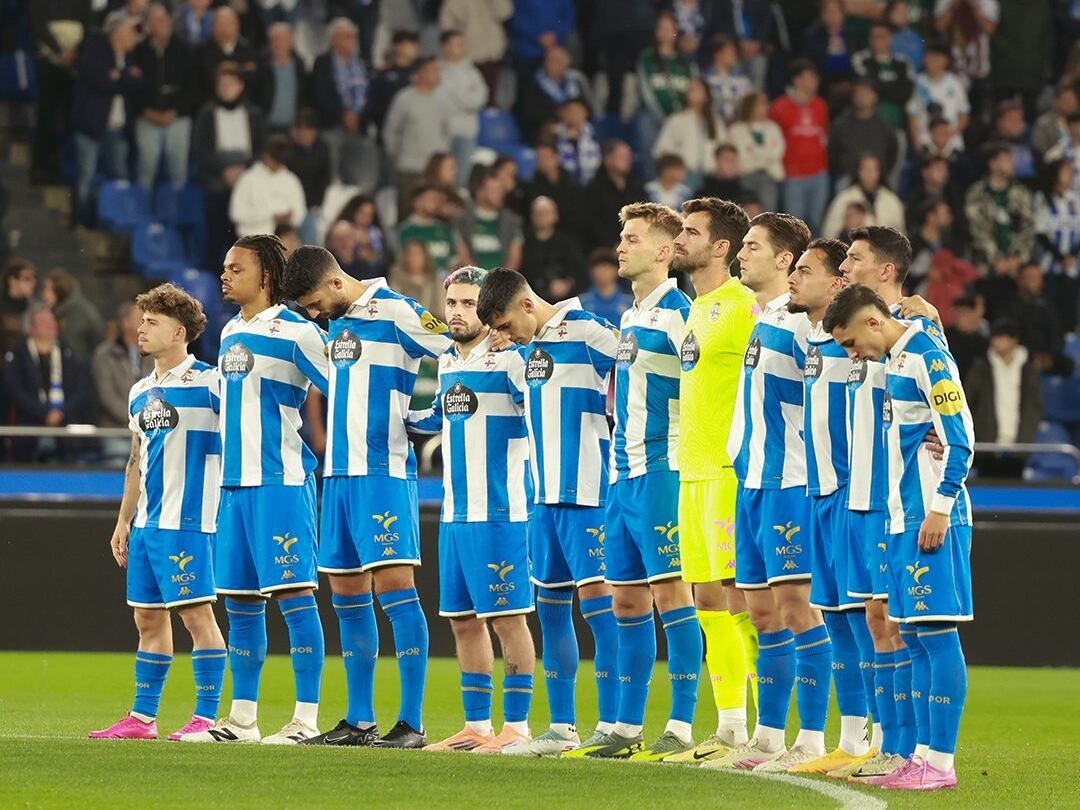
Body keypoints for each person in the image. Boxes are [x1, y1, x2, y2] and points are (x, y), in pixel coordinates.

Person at [281, 245, 453, 749]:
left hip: (382, 475)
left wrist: (429, 418)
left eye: (314, 303)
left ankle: (412, 723)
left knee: (396, 593)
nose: (314, 316)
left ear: (335, 283)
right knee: (348, 597)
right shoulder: (336, 325)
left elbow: (458, 353)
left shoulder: (397, 310)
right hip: (336, 475)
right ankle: (359, 720)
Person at [823, 282, 975, 792]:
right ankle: (919, 755)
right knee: (909, 636)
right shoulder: (900, 355)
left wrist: (939, 509)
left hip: (931, 518)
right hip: (898, 517)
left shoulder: (927, 356)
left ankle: (942, 762)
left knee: (935, 633)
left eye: (849, 343)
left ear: (872, 322)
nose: (851, 355)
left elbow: (961, 440)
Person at [563, 203, 702, 760]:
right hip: (623, 477)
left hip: (663, 474)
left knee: (672, 596)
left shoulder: (679, 316)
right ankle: (623, 726)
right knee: (625, 603)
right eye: (621, 237)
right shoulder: (630, 317)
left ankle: (683, 724)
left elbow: (707, 393)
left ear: (666, 252)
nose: (621, 246)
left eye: (634, 239)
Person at [180, 235, 329, 745]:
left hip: (281, 482)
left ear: (265, 276)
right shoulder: (227, 333)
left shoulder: (299, 332)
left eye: (234, 268)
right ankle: (242, 720)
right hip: (235, 486)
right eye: (223, 267)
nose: (223, 275)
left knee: (294, 598)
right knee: (241, 603)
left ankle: (306, 719)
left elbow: (346, 388)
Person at [476, 268, 620, 756]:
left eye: (504, 324)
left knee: (602, 611)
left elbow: (634, 365)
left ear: (527, 304)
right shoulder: (527, 350)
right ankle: (562, 728)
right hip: (542, 499)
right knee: (552, 612)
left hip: (588, 495)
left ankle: (616, 725)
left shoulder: (588, 330)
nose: (502, 336)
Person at [708, 213, 833, 772]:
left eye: (754, 247)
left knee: (798, 611)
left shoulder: (810, 322)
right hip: (751, 483)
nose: (742, 255)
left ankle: (811, 740)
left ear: (786, 261)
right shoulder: (768, 316)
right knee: (759, 614)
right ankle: (768, 738)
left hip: (791, 484)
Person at [406, 266, 536, 753]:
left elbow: (540, 411)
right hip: (455, 512)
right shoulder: (447, 362)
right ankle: (476, 726)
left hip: (501, 511)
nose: (459, 313)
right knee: (463, 620)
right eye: (453, 304)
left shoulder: (513, 360)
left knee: (509, 619)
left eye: (469, 304)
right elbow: (437, 415)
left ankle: (518, 728)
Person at [88, 283, 227, 741]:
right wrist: (123, 520)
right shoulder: (141, 391)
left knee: (196, 617)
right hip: (147, 525)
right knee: (147, 618)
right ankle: (142, 719)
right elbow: (135, 459)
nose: (140, 328)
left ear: (179, 333)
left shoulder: (212, 383)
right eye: (141, 319)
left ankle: (206, 718)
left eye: (152, 322)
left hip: (188, 523)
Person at [832, 226, 941, 782]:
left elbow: (945, 403)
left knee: (896, 622)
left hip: (892, 495)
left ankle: (911, 748)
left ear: (887, 271)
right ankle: (889, 744)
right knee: (875, 621)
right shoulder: (854, 327)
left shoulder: (916, 329)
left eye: (854, 258)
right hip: (858, 491)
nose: (844, 266)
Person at [662, 197, 759, 762]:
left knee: (745, 600)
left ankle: (772, 729)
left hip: (727, 470)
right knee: (706, 601)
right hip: (691, 471)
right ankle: (730, 728)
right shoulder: (696, 308)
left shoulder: (744, 304)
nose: (681, 239)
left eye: (691, 232)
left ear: (720, 247)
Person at [784, 237, 880, 776]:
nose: (795, 278)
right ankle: (849, 739)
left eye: (806, 269)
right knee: (840, 621)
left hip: (854, 494)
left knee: (873, 620)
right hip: (817, 494)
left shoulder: (871, 338)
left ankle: (888, 737)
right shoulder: (814, 341)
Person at [71, 11, 143, 226]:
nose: (135, 37)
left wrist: (118, 75)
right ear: (117, 31)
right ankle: (81, 224)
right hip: (91, 127)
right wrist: (126, 77)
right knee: (85, 179)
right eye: (131, 31)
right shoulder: (95, 50)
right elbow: (101, 81)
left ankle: (115, 224)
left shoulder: (130, 57)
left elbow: (139, 84)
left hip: (117, 128)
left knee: (119, 179)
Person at [191, 63, 266, 265]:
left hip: (248, 181)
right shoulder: (207, 114)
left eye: (230, 84)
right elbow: (200, 152)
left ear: (241, 85)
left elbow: (262, 151)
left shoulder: (254, 114)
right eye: (222, 84)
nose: (226, 88)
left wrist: (243, 171)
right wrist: (225, 170)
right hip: (217, 181)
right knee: (215, 232)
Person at [3, 304, 92, 462]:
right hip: (28, 428)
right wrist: (44, 413)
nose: (51, 326)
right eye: (44, 322)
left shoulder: (69, 356)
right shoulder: (16, 358)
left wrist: (60, 413)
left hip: (65, 427)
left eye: (52, 322)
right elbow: (16, 393)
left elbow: (81, 390)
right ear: (31, 329)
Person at [965, 317, 1043, 477]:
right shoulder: (981, 367)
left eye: (1002, 337)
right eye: (995, 337)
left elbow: (1035, 405)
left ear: (1014, 340)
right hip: (987, 447)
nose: (997, 342)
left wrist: (1026, 439)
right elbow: (969, 401)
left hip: (1018, 446)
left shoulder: (1028, 369)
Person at [131, 3, 194, 194]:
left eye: (164, 20)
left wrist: (174, 111)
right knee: (146, 169)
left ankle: (176, 217)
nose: (162, 24)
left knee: (178, 172)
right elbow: (132, 89)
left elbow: (192, 89)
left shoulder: (184, 50)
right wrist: (146, 111)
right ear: (148, 25)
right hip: (147, 118)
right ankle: (142, 215)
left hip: (177, 118)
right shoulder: (138, 52)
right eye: (156, 21)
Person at [385, 58, 455, 221]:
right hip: (409, 167)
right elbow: (391, 131)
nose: (437, 74)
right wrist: (398, 156)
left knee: (436, 215)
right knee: (406, 213)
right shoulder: (404, 98)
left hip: (435, 170)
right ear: (419, 74)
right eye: (432, 70)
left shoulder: (443, 100)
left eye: (438, 70)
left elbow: (448, 132)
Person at [310, 18, 373, 188]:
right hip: (332, 127)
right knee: (331, 177)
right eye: (346, 36)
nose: (351, 40)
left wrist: (358, 117)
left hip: (358, 128)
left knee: (360, 178)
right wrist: (343, 116)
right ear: (333, 40)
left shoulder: (363, 62)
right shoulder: (322, 63)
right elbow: (320, 95)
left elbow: (370, 94)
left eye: (353, 36)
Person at [769, 60, 830, 234]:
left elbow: (824, 134)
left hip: (819, 173)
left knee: (817, 222)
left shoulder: (821, 106)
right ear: (797, 80)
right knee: (795, 226)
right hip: (793, 175)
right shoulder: (780, 106)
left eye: (815, 78)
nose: (814, 82)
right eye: (809, 77)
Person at [636, 12, 696, 177]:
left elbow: (693, 88)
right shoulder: (647, 58)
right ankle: (652, 184)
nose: (666, 32)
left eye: (670, 28)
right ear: (656, 32)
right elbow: (645, 92)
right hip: (653, 117)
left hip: (680, 115)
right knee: (645, 124)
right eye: (662, 28)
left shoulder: (686, 62)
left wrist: (679, 115)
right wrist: (664, 117)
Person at [93, 301, 153, 462]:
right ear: (126, 323)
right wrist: (136, 418)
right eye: (141, 319)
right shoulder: (105, 355)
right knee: (119, 460)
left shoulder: (154, 355)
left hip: (151, 431)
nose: (146, 324)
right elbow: (107, 397)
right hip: (116, 431)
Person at [964, 142, 1035, 274]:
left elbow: (1028, 227)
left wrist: (1016, 259)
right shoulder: (977, 193)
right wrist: (996, 260)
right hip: (986, 267)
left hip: (1018, 269)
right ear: (993, 164)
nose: (1012, 163)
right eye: (1007, 160)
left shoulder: (1022, 194)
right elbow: (977, 230)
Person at [229, 134, 307, 237]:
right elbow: (236, 213)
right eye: (275, 159)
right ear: (266, 156)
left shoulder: (291, 179)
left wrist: (288, 218)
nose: (277, 164)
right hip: (254, 237)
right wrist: (269, 216)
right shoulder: (248, 179)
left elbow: (300, 212)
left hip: (284, 237)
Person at [1034, 158, 1080, 333]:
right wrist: (1060, 257)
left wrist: (1072, 256)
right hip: (1049, 264)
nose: (1070, 174)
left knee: (1070, 302)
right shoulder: (1043, 199)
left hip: (1073, 264)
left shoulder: (1075, 199)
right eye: (1066, 170)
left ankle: (1069, 335)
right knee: (1051, 304)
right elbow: (1040, 232)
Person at [652, 78, 727, 185]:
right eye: (690, 90)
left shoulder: (716, 122)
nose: (692, 92)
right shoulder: (676, 119)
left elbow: (724, 149)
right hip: (686, 175)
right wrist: (675, 169)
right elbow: (661, 150)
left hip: (713, 175)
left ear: (706, 95)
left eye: (697, 89)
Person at [516, 45, 595, 145]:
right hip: (544, 131)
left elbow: (587, 108)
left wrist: (576, 113)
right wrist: (561, 114)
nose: (554, 65)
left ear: (566, 65)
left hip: (576, 128)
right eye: (551, 61)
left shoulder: (575, 83)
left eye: (559, 62)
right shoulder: (532, 84)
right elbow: (528, 111)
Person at [438, 0, 513, 104]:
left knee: (490, 99)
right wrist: (455, 48)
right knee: (465, 96)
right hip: (466, 57)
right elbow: (446, 25)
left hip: (491, 54)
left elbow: (505, 13)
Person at [438, 30, 487, 186]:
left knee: (461, 181)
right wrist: (465, 98)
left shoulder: (472, 72)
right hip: (441, 132)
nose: (461, 47)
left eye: (462, 44)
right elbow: (438, 102)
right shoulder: (435, 70)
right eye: (456, 44)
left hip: (467, 133)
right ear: (444, 47)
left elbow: (479, 100)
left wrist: (455, 95)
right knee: (440, 180)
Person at [828, 79, 899, 186]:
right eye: (858, 93)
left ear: (875, 97)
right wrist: (841, 172)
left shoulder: (885, 126)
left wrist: (877, 173)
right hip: (847, 179)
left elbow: (892, 152)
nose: (862, 96)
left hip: (877, 179)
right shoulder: (841, 124)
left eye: (866, 93)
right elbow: (832, 153)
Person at [906, 44, 969, 159]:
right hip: (926, 141)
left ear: (945, 60)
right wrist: (917, 143)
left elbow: (964, 114)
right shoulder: (918, 82)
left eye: (935, 57)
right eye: (928, 57)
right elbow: (912, 114)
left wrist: (948, 135)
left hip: (952, 143)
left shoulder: (955, 82)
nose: (931, 61)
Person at [581, 141, 647, 250]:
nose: (628, 160)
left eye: (629, 156)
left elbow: (645, 217)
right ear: (608, 160)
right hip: (602, 249)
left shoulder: (637, 188)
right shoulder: (593, 189)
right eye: (622, 157)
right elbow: (591, 223)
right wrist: (611, 245)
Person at [822, 153, 906, 239]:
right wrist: (847, 230)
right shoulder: (844, 199)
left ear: (880, 172)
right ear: (858, 171)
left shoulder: (892, 200)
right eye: (865, 168)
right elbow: (829, 233)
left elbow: (901, 235)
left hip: (885, 250)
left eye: (874, 169)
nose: (869, 173)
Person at [851, 21, 914, 130]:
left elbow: (907, 91)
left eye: (881, 36)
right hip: (868, 123)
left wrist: (879, 86)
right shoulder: (860, 59)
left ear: (890, 38)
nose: (877, 40)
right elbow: (865, 88)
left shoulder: (903, 62)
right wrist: (894, 86)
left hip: (898, 122)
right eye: (873, 37)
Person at [728, 91, 784, 212]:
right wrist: (764, 154)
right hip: (746, 176)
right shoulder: (737, 130)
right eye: (762, 103)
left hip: (768, 176)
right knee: (746, 214)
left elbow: (777, 152)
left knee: (769, 216)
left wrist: (754, 151)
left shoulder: (773, 127)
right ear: (750, 106)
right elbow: (741, 155)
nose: (766, 106)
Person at [521, 196, 586, 300]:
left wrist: (567, 284)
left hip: (563, 302)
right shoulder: (522, 244)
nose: (541, 216)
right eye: (537, 212)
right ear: (531, 216)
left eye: (545, 212)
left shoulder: (567, 244)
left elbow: (580, 274)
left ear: (555, 216)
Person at [459, 168, 524, 272]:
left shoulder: (512, 221)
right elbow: (462, 254)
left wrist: (501, 280)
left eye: (501, 190)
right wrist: (479, 278)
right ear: (480, 192)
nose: (500, 194)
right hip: (472, 279)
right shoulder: (462, 220)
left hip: (502, 281)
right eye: (494, 190)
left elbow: (514, 258)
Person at [396, 185, 470, 276]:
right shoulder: (404, 231)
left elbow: (462, 258)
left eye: (437, 199)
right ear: (416, 202)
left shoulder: (447, 229)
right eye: (430, 198)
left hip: (447, 282)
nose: (435, 203)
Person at [195, 7, 258, 107]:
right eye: (219, 23)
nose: (223, 28)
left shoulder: (248, 50)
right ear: (213, 27)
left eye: (227, 23)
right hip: (211, 108)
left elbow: (253, 80)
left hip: (243, 107)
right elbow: (200, 83)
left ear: (236, 25)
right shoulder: (201, 51)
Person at [41, 268, 104, 363]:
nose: (44, 294)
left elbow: (99, 343)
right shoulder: (46, 313)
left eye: (49, 289)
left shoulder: (84, 312)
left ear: (60, 290)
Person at [258, 23, 308, 131]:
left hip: (294, 129)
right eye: (275, 40)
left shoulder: (300, 67)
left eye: (283, 39)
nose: (279, 44)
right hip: (265, 127)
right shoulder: (261, 68)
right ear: (270, 43)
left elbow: (305, 97)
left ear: (291, 42)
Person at [286, 110, 332, 213]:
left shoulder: (322, 148)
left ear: (314, 132)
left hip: (315, 203)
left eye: (307, 131)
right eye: (300, 130)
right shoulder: (287, 150)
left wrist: (316, 204)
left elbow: (325, 178)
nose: (303, 135)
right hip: (291, 201)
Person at [388, 241, 443, 321]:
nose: (413, 258)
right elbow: (393, 307)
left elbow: (442, 311)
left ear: (425, 256)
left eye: (417, 254)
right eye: (410, 254)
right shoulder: (397, 279)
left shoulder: (435, 281)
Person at [703, 35, 752, 123]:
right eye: (730, 51)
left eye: (734, 51)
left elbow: (748, 104)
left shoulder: (742, 79)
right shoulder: (705, 78)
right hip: (714, 125)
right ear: (718, 54)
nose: (734, 54)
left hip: (739, 126)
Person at [578, 249, 633, 325]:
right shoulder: (582, 302)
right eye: (597, 267)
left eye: (605, 267)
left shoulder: (630, 301)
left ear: (616, 270)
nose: (601, 272)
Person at [554, 99, 601, 186]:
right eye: (570, 111)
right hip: (563, 186)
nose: (573, 115)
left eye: (577, 111)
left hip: (593, 186)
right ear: (562, 114)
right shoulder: (553, 136)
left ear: (585, 113)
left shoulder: (596, 135)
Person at [1, 259, 38, 355]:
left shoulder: (36, 309)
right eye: (27, 279)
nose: (33, 282)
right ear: (12, 281)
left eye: (34, 278)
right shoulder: (3, 309)